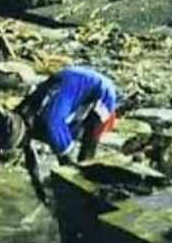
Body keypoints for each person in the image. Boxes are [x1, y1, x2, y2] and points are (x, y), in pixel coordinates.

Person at [18, 67, 118, 204]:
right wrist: (40, 192)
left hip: (101, 89)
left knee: (87, 149)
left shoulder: (50, 122)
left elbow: (66, 160)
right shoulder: (21, 116)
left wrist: (71, 182)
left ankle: (89, 192)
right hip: (70, 83)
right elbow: (31, 161)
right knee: (63, 143)